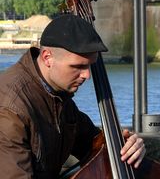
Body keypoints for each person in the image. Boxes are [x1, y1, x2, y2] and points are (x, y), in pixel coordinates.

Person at [0, 14, 146, 179]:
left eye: (90, 66)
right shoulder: (10, 110)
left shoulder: (57, 95)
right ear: (47, 57)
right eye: (78, 66)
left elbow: (91, 143)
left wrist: (126, 145)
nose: (87, 75)